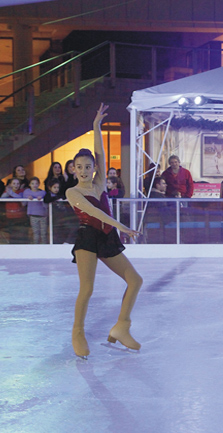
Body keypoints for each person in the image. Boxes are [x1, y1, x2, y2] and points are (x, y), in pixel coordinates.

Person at [65, 104, 143, 359]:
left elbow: (100, 152)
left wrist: (96, 126)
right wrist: (121, 226)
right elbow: (95, 213)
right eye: (80, 167)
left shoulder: (99, 183)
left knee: (135, 280)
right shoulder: (73, 192)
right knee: (87, 289)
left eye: (88, 166)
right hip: (88, 238)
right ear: (73, 169)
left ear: (94, 168)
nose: (85, 170)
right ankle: (78, 331)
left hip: (107, 238)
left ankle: (122, 326)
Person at [1, 178, 29, 244]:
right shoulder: (6, 192)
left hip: (20, 217)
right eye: (14, 183)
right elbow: (2, 198)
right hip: (10, 217)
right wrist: (8, 192)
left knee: (21, 234)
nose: (16, 185)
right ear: (10, 184)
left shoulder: (21, 191)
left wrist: (11, 192)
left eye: (17, 183)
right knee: (12, 234)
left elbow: (20, 198)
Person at [43, 179, 69, 244]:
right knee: (55, 230)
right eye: (54, 187)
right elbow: (46, 200)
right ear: (49, 187)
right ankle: (55, 243)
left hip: (61, 216)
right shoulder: (48, 195)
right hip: (53, 216)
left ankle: (63, 241)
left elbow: (63, 197)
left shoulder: (60, 194)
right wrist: (56, 198)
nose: (56, 189)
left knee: (63, 229)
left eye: (57, 187)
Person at [23, 177, 47, 244]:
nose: (34, 185)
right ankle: (36, 247)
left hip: (43, 215)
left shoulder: (42, 193)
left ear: (39, 184)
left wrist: (40, 198)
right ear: (29, 184)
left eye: (36, 183)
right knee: (36, 233)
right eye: (32, 183)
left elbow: (44, 198)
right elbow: (24, 201)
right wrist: (28, 197)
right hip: (33, 215)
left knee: (43, 233)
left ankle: (45, 248)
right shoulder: (27, 192)